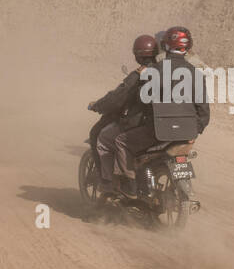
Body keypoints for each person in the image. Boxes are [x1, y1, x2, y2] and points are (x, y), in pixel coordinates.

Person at [112, 29, 210, 198]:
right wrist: (195, 131)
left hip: (158, 132)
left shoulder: (155, 70)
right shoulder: (196, 74)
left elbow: (142, 101)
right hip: (186, 133)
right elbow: (203, 111)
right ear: (189, 46)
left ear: (165, 45)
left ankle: (130, 186)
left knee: (121, 141)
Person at [88, 35, 160, 199]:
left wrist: (98, 105)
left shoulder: (138, 74)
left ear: (137, 54)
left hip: (139, 122)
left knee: (103, 138)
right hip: (161, 125)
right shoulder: (166, 70)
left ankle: (108, 182)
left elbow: (118, 97)